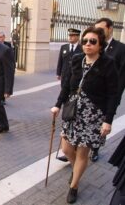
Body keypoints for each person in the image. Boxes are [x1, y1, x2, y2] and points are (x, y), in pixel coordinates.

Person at [51, 27, 119, 204]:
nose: (88, 44)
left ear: (100, 44)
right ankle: (77, 170)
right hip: (73, 111)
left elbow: (113, 93)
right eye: (85, 41)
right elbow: (66, 85)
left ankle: (74, 186)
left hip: (93, 115)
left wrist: (108, 120)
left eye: (93, 41)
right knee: (66, 149)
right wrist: (58, 104)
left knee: (82, 153)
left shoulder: (108, 63)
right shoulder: (76, 59)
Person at [90, 18, 125, 162]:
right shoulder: (95, 45)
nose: (98, 32)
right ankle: (77, 148)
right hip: (91, 94)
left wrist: (115, 100)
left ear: (110, 28)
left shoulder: (121, 49)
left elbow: (122, 77)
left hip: (108, 97)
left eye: (101, 29)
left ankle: (95, 149)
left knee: (101, 125)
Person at [56, 28, 83, 162]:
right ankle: (69, 151)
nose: (70, 37)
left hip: (77, 88)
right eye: (70, 35)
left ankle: (75, 150)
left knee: (73, 114)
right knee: (68, 111)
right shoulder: (64, 47)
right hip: (66, 82)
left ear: (78, 37)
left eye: (73, 35)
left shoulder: (82, 49)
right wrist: (58, 73)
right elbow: (60, 61)